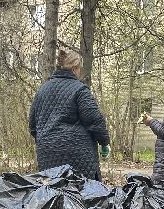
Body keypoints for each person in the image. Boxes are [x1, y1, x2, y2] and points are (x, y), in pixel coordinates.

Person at [28, 46, 110, 179]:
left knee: (55, 194)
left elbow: (32, 127)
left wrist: (47, 141)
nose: (80, 72)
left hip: (47, 155)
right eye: (80, 69)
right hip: (78, 154)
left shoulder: (42, 91)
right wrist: (104, 142)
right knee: (84, 194)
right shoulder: (80, 90)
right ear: (74, 69)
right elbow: (94, 120)